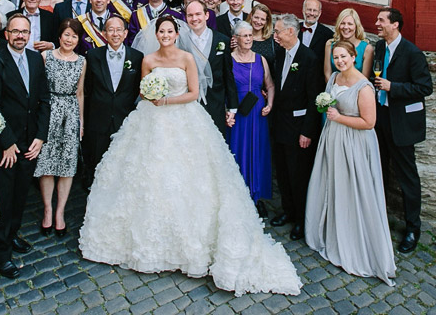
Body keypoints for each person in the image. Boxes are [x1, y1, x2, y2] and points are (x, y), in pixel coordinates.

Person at [79, 16, 301, 297]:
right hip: (151, 121)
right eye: (162, 31)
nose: (166, 35)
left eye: (170, 31)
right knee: (147, 175)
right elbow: (143, 92)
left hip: (184, 118)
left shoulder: (186, 58)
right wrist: (152, 97)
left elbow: (194, 93)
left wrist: (167, 100)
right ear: (156, 34)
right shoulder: (147, 60)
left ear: (176, 33)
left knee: (188, 179)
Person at [305, 40, 395, 285]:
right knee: (333, 185)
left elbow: (369, 123)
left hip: (354, 144)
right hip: (333, 139)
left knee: (353, 190)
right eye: (336, 57)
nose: (340, 61)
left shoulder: (363, 87)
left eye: (344, 56)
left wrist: (339, 117)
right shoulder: (334, 77)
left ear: (354, 56)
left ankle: (356, 243)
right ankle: (332, 233)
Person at [0, 13, 50, 278]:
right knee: (4, 200)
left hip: (30, 142)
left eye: (25, 31)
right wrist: (7, 143)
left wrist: (40, 137)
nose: (20, 36)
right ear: (6, 34)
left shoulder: (35, 59)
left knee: (21, 195)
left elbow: (44, 99)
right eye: (15, 31)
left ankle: (11, 236)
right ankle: (0, 252)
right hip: (6, 146)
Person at [372, 7, 433, 254]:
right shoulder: (378, 47)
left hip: (401, 123)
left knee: (407, 177)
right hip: (380, 118)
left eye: (381, 20)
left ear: (395, 25)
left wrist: (392, 86)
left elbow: (424, 88)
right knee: (379, 171)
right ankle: (378, 221)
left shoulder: (412, 52)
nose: (377, 24)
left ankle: (412, 228)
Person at [267, 13, 322, 241]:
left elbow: (314, 99)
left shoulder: (309, 58)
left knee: (298, 176)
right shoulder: (278, 54)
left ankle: (301, 219)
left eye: (278, 31)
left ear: (291, 31)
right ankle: (288, 211)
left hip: (298, 128)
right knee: (282, 173)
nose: (275, 35)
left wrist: (307, 132)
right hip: (279, 124)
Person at [34, 19, 86, 236]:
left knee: (66, 164)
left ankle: (60, 213)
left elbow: (80, 92)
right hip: (49, 111)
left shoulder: (82, 61)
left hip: (71, 113)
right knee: (47, 163)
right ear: (59, 36)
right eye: (66, 35)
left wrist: (81, 121)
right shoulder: (46, 57)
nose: (69, 39)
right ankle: (47, 210)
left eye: (74, 36)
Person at [81, 16, 141, 179]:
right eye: (111, 30)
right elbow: (88, 88)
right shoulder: (93, 55)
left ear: (125, 33)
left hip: (124, 117)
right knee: (96, 162)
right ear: (104, 33)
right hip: (99, 118)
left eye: (119, 30)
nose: (115, 34)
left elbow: (136, 88)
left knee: (122, 163)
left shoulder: (137, 57)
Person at [228, 21, 274, 218]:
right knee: (237, 151)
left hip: (256, 112)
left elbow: (269, 85)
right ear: (236, 38)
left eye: (250, 36)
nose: (248, 39)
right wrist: (226, 110)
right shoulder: (228, 60)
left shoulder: (260, 59)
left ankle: (257, 198)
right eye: (244, 36)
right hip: (237, 112)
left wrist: (269, 104)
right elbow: (224, 89)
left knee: (257, 152)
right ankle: (237, 197)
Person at [175, 0, 235, 137]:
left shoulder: (222, 40)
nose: (194, 19)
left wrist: (232, 106)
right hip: (188, 104)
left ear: (207, 15)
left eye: (198, 14)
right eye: (190, 15)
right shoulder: (179, 41)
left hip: (216, 103)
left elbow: (228, 75)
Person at [326, 7, 374, 82]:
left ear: (356, 26)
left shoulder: (367, 48)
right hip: (334, 88)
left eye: (350, 24)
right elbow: (327, 74)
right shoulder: (330, 44)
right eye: (342, 23)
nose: (346, 27)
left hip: (356, 90)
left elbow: (364, 79)